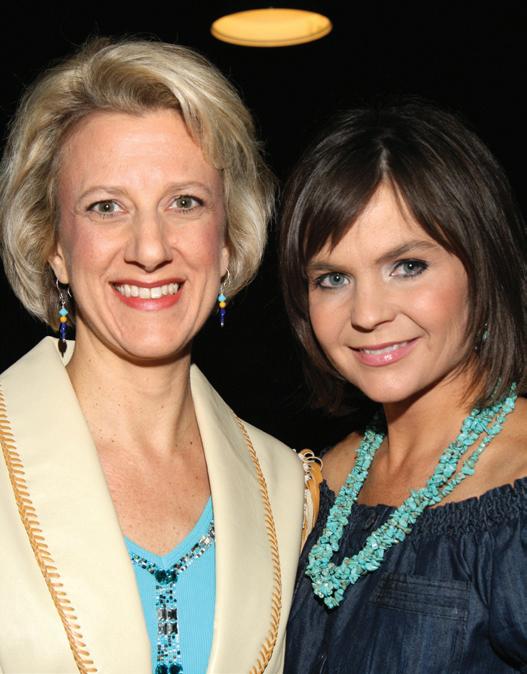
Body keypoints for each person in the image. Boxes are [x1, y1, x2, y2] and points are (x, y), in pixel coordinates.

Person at [0, 38, 308, 674]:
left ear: (227, 241)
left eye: (185, 202)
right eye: (106, 207)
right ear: (54, 245)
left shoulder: (289, 490)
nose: (149, 248)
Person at [280, 102, 527, 672]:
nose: (367, 313)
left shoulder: (516, 489)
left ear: (483, 266)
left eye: (407, 266)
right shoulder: (313, 483)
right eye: (333, 278)